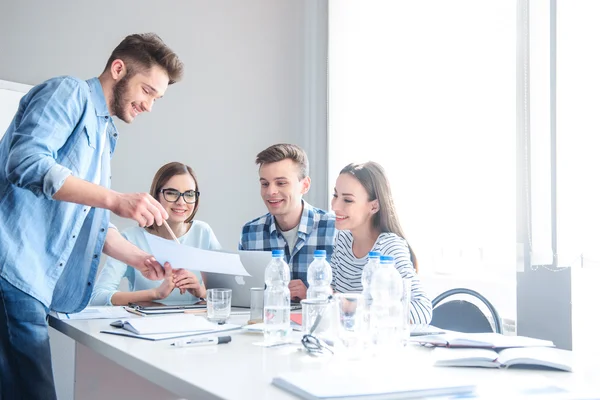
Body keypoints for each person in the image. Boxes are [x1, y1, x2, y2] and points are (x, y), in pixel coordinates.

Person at [0, 33, 184, 399]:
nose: (149, 106)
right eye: (147, 91)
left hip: (31, 286)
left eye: (157, 98)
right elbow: (25, 162)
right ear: (118, 69)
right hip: (12, 272)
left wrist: (140, 258)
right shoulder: (68, 94)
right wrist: (116, 200)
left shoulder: (104, 133)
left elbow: (86, 217)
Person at [90, 162, 220, 306]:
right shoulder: (130, 238)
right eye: (171, 193)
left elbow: (229, 293)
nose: (181, 202)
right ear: (156, 196)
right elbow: (98, 297)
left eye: (189, 194)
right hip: (146, 325)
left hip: (197, 325)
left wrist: (200, 291)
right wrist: (155, 294)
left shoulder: (203, 232)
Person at [330, 161, 432, 325]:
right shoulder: (342, 239)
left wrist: (354, 307)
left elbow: (423, 309)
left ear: (374, 206)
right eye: (335, 195)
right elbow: (334, 294)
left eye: (347, 200)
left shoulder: (389, 247)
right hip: (348, 342)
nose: (335, 206)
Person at [239, 144, 336, 301]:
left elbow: (350, 298)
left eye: (281, 183)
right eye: (265, 184)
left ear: (304, 185)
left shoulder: (334, 229)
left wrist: (314, 294)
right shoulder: (250, 233)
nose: (270, 192)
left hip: (317, 323)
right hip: (267, 324)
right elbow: (243, 295)